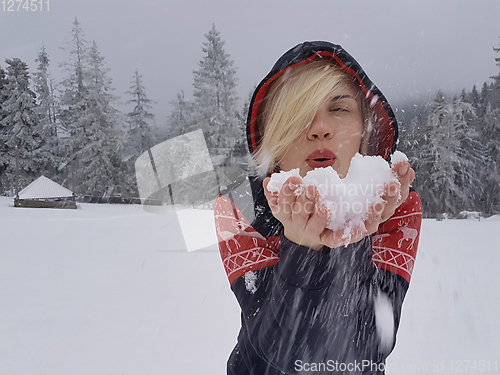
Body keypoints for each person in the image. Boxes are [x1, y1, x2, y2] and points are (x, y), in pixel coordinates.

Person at [214, 41, 422, 375]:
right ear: (273, 144)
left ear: (365, 131)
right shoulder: (241, 212)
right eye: (298, 115)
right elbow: (283, 352)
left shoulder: (395, 210)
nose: (319, 127)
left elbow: (367, 348)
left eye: (339, 109)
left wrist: (354, 242)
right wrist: (302, 247)